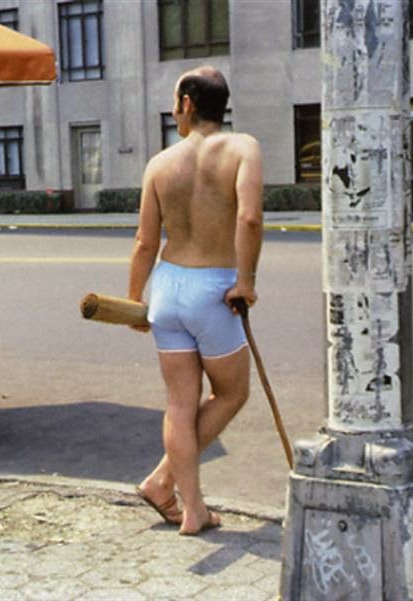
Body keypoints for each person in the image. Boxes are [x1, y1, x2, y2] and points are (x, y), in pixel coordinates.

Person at [128, 66, 263, 536]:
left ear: (187, 103)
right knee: (232, 392)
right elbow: (248, 219)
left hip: (167, 287)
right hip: (215, 289)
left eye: (173, 101)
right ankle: (174, 491)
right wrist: (245, 280)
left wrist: (133, 301)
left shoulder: (159, 164)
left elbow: (145, 242)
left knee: (179, 404)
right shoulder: (243, 148)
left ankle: (187, 503)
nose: (172, 110)